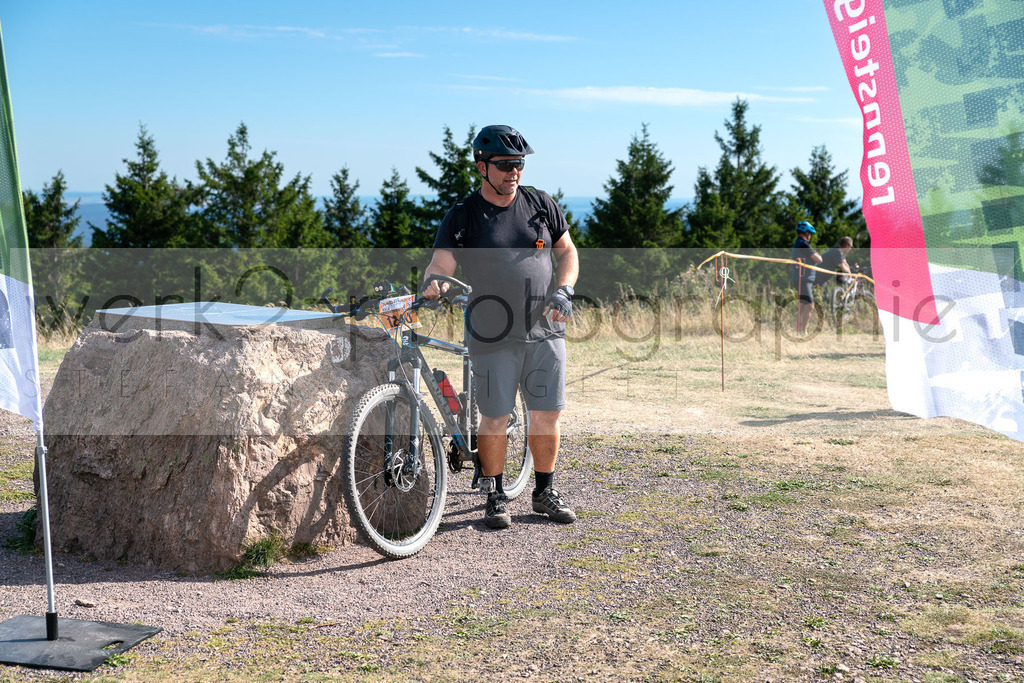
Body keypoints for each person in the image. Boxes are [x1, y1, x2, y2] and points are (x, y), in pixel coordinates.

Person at [421, 124, 580, 530]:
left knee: (547, 414)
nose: (514, 172)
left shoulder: (541, 204)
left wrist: (565, 290)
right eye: (506, 165)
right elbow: (441, 264)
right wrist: (435, 282)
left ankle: (544, 491)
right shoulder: (463, 216)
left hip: (544, 330)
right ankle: (494, 492)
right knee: (495, 416)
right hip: (492, 334)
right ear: (482, 167)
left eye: (520, 164)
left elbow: (568, 252)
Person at [791, 221, 822, 334]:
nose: (810, 236)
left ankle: (799, 330)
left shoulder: (798, 243)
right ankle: (803, 331)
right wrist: (817, 255)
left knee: (803, 305)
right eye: (810, 234)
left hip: (800, 277)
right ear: (807, 233)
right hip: (803, 278)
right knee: (809, 306)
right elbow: (818, 260)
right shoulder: (804, 244)